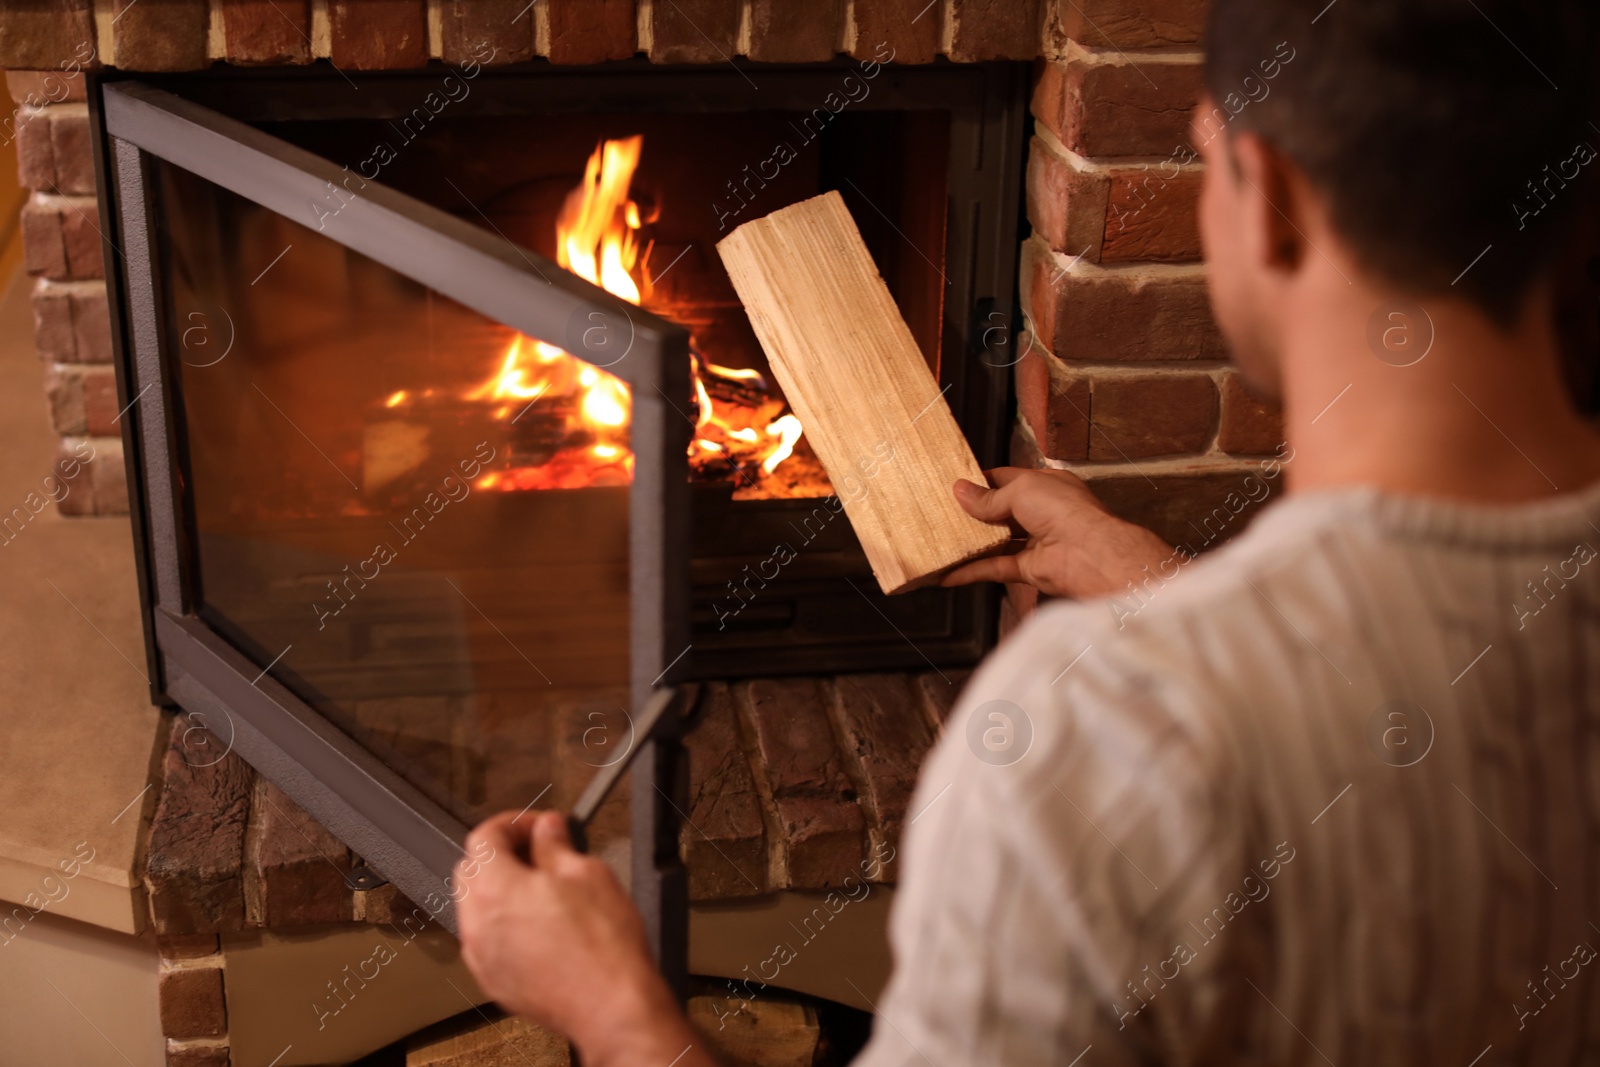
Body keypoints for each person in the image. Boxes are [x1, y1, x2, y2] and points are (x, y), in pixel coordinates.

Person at [454, 0, 1600, 1061]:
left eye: (1207, 162)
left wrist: (606, 1002)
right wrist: (1160, 590)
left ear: (1277, 197)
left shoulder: (1087, 738)